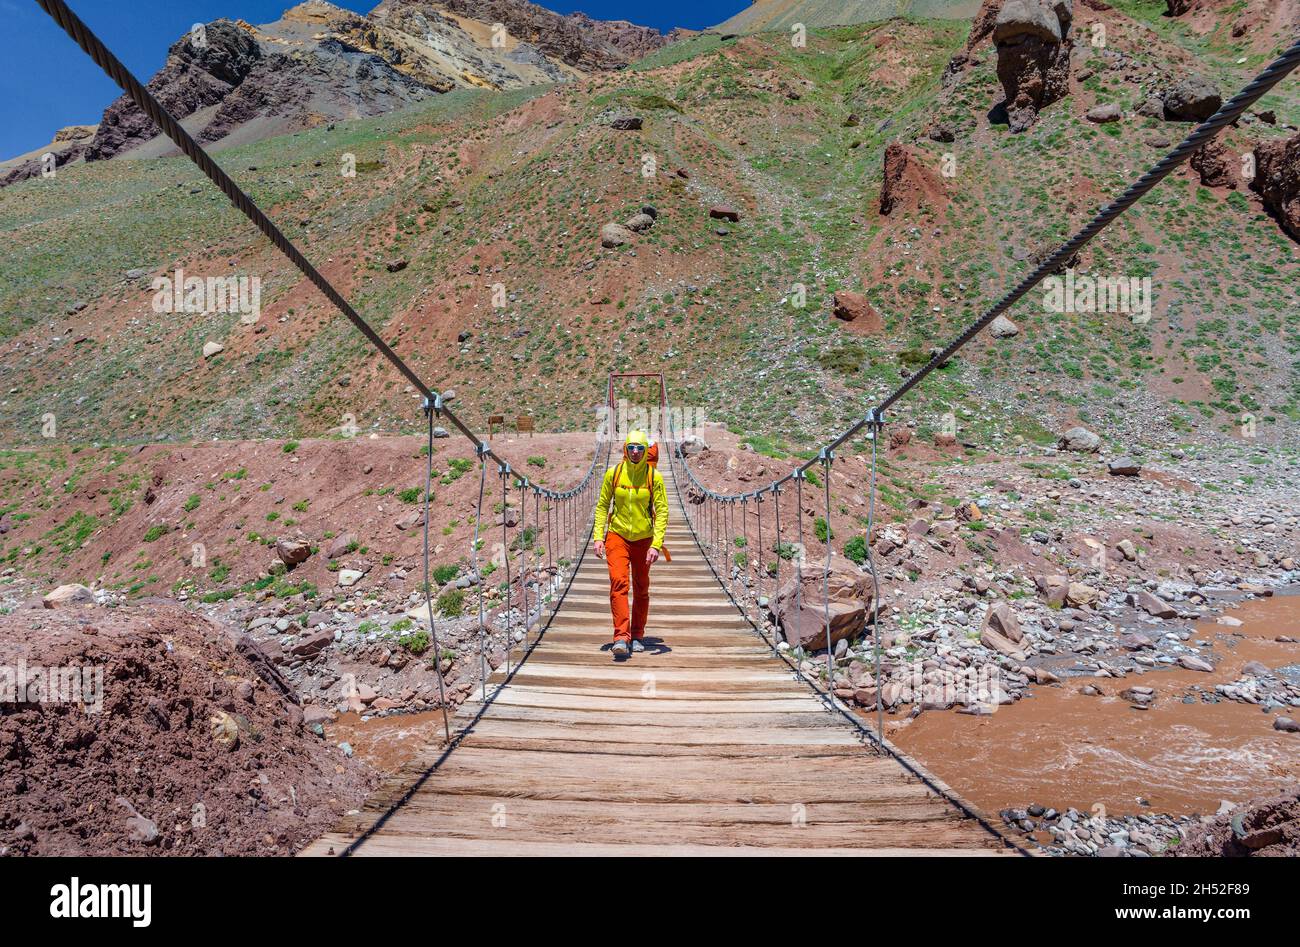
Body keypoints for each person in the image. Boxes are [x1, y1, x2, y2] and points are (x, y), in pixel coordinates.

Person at [591, 429, 668, 657]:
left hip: (644, 539)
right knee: (618, 583)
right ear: (625, 448)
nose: (635, 452)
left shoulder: (654, 477)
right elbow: (603, 505)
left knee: (642, 588)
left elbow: (662, 511)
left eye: (640, 448)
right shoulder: (613, 474)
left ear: (645, 451)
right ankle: (621, 637)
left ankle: (637, 635)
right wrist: (598, 536)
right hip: (617, 536)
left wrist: (656, 544)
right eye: (631, 447)